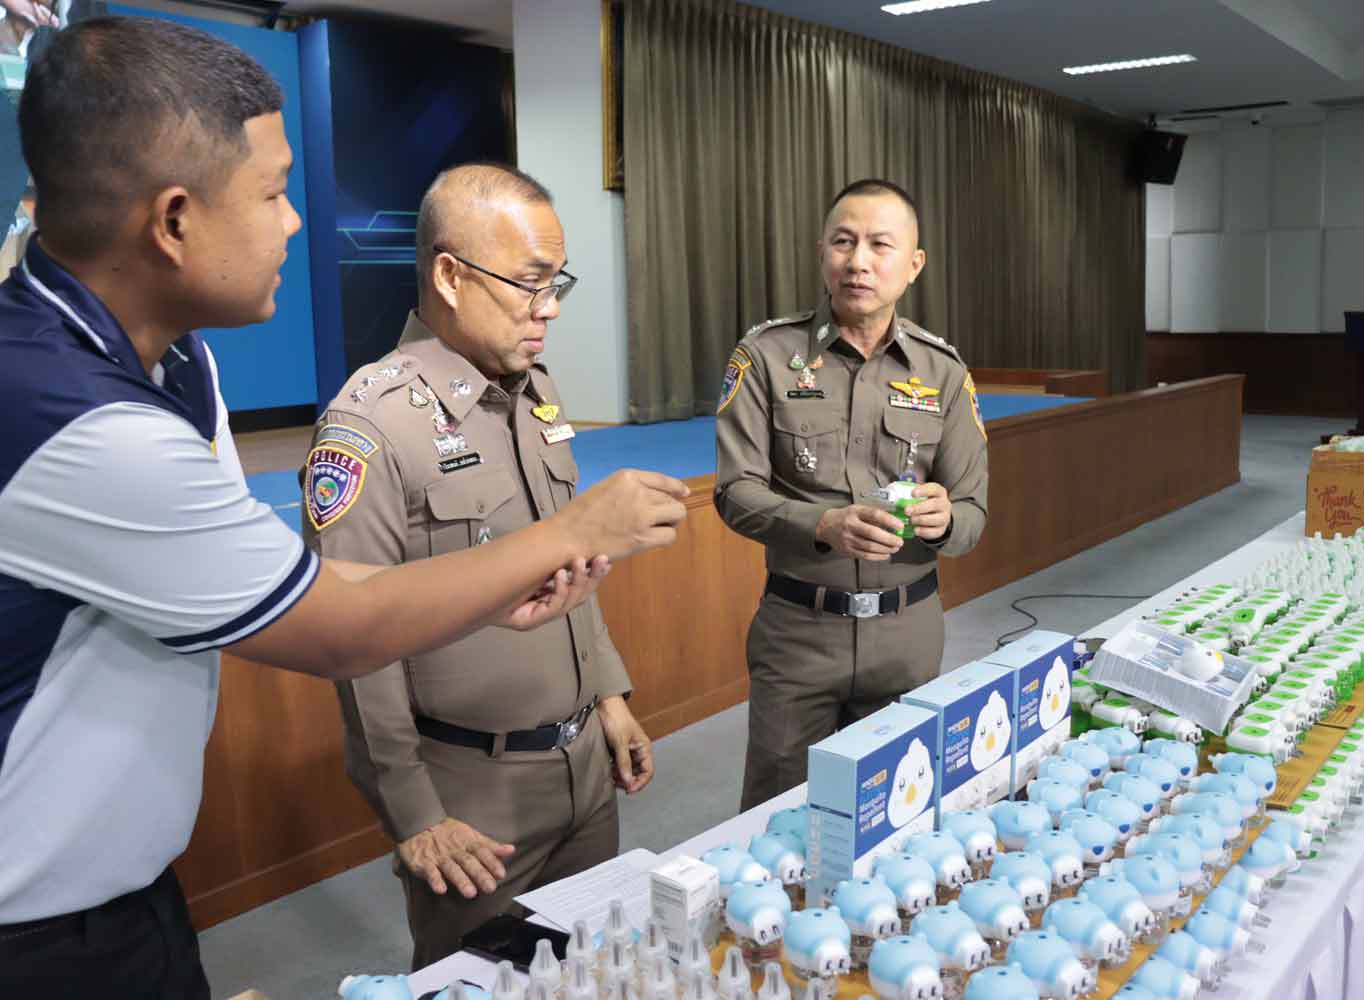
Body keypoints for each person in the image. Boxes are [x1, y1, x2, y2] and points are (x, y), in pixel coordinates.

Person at [0, 18, 687, 998]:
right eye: (273, 193)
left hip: (125, 885)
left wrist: (520, 604)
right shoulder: (78, 421)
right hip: (40, 928)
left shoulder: (172, 364)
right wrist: (572, 533)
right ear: (175, 220)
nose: (295, 222)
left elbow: (307, 583)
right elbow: (340, 625)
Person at [304, 163, 657, 968]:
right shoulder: (371, 426)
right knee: (480, 979)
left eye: (556, 281)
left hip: (583, 768)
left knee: (590, 967)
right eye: (530, 282)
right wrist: (415, 814)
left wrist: (608, 696)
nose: (550, 306)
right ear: (450, 276)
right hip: (472, 798)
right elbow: (354, 642)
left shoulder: (535, 392)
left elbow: (568, 561)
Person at [715, 178, 990, 809]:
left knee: (898, 811)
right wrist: (823, 524)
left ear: (913, 264)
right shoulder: (765, 357)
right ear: (822, 254)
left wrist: (946, 519)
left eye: (879, 245)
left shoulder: (943, 372)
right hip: (799, 634)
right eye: (843, 242)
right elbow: (735, 493)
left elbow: (974, 514)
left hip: (907, 635)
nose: (858, 261)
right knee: (779, 815)